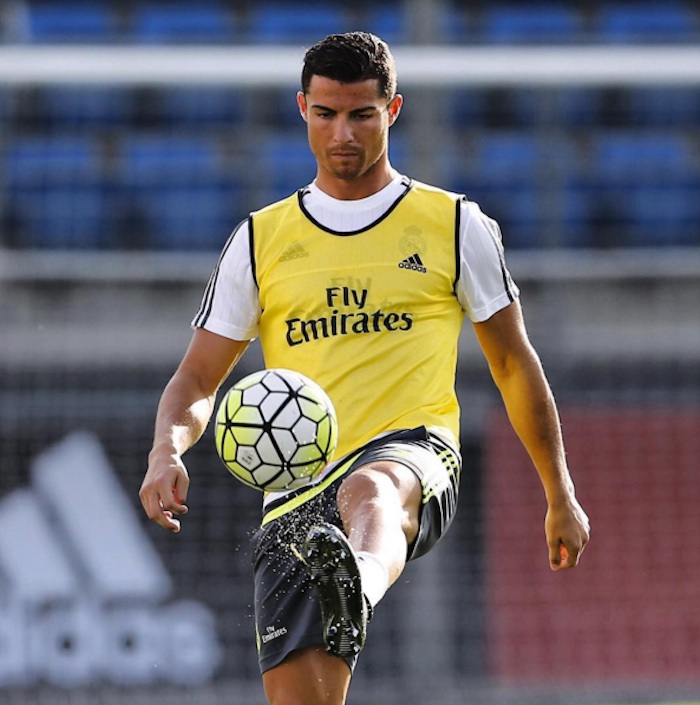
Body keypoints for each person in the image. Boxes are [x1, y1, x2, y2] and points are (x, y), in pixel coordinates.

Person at [140, 31, 590, 705]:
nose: (342, 133)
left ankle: (358, 581)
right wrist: (165, 450)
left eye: (362, 114)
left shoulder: (454, 224)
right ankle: (341, 575)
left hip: (413, 453)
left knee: (370, 489)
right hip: (295, 494)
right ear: (303, 109)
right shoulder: (260, 240)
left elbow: (513, 363)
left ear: (393, 111)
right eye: (326, 114)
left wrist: (559, 492)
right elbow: (198, 379)